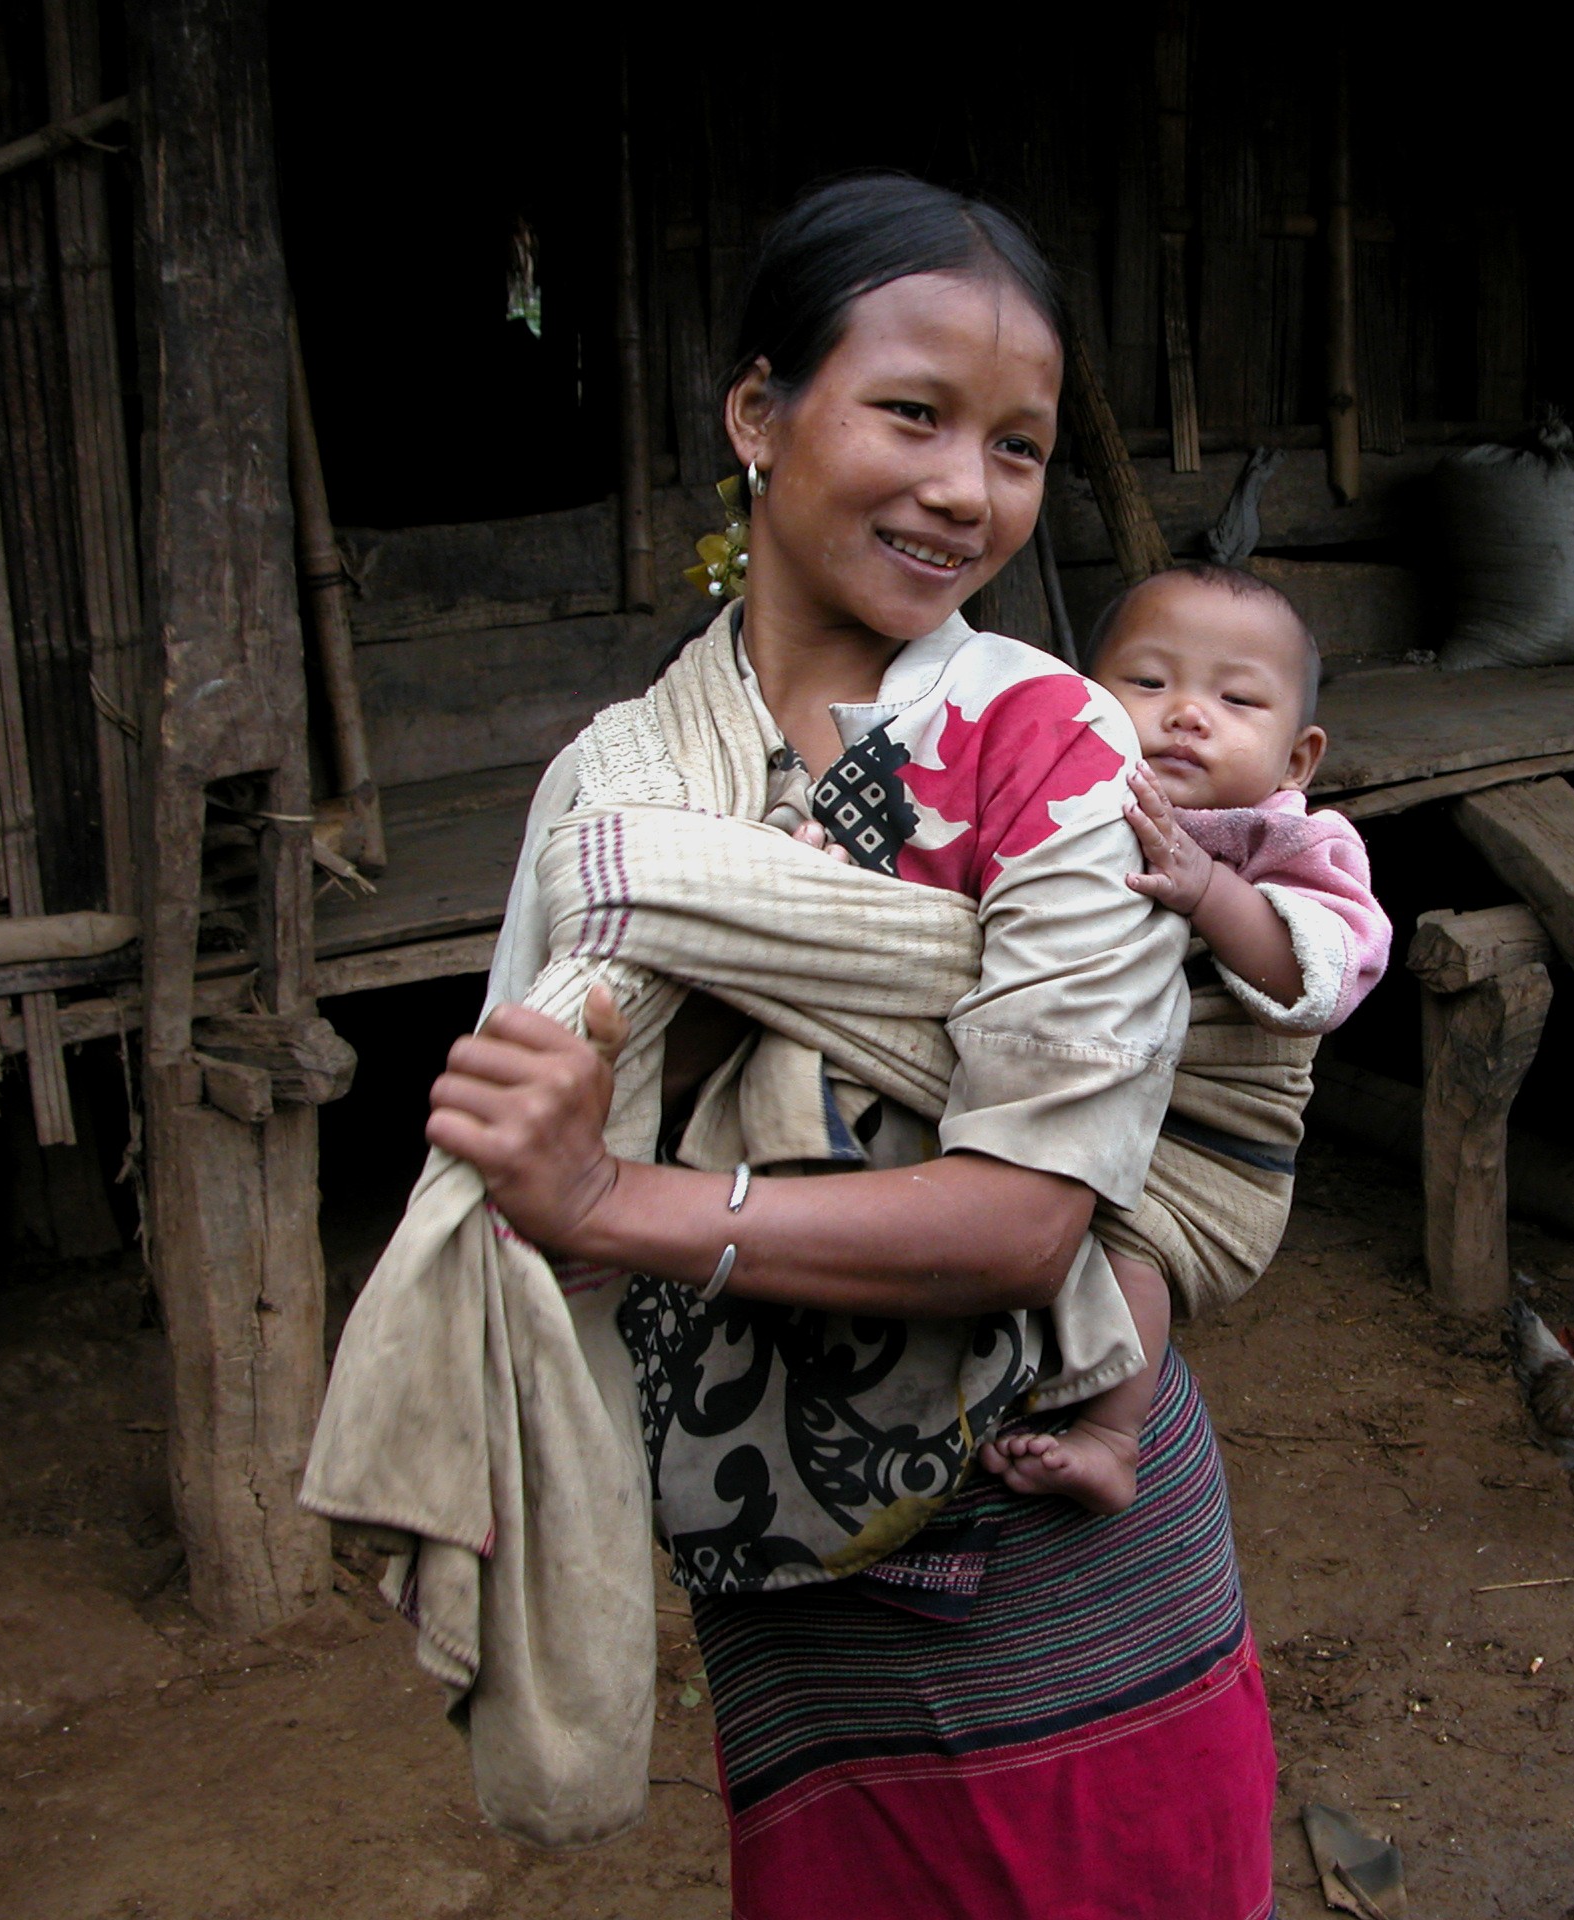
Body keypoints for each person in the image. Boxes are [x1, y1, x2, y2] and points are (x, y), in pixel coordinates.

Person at [427, 174, 1277, 1919]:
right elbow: (520, 1169)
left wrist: (610, 1202)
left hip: (1058, 1525)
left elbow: (1028, 1220)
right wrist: (543, 1196)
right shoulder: (617, 792)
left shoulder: (1055, 750)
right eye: (912, 412)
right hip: (773, 1562)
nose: (966, 491)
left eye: (1018, 447)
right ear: (758, 412)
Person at [981, 565, 1389, 1513]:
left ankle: (1112, 1437)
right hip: (1082, 1113)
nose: (1186, 714)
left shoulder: (1288, 844)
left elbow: (1323, 975)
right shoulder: (1065, 801)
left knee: (1132, 1250)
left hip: (1210, 1151)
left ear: (1296, 759)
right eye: (1149, 682)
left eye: (1236, 697)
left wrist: (1210, 891)